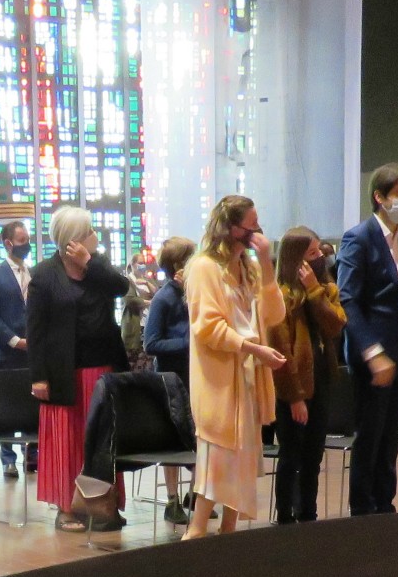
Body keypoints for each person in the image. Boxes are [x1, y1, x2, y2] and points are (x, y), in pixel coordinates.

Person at [336, 163, 398, 514]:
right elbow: (347, 299)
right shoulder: (358, 238)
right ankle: (363, 509)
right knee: (371, 434)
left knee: (394, 433)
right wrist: (372, 351)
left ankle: (385, 504)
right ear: (380, 197)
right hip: (372, 353)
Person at [182, 196, 285, 538]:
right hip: (220, 382)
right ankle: (195, 535)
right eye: (250, 226)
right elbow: (207, 327)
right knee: (216, 470)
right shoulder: (203, 267)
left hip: (249, 377)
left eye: (258, 226)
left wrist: (267, 263)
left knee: (240, 470)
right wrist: (254, 347)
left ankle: (228, 538)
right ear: (229, 227)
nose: (256, 232)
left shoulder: (250, 268)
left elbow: (274, 315)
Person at [25, 206, 130, 531]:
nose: (94, 235)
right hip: (64, 372)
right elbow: (36, 329)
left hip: (104, 370)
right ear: (73, 239)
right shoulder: (44, 274)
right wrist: (38, 376)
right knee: (67, 440)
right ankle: (66, 508)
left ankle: (102, 504)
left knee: (103, 439)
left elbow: (122, 287)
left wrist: (90, 261)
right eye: (88, 231)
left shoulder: (97, 268)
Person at [266, 226, 345, 524]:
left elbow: (335, 326)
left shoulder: (326, 290)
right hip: (293, 387)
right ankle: (285, 515)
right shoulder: (279, 297)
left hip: (322, 381)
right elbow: (281, 350)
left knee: (314, 456)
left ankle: (308, 514)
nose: (320, 258)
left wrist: (313, 290)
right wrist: (295, 397)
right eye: (312, 253)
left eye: (321, 251)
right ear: (296, 259)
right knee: (291, 455)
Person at [141, 235, 195, 524]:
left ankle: (195, 494)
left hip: (194, 377)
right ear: (179, 266)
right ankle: (172, 500)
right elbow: (151, 344)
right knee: (174, 441)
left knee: (198, 436)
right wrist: (187, 342)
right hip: (171, 379)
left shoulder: (194, 294)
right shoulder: (163, 298)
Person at [0, 219, 33, 478]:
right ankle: (8, 459)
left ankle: (31, 454)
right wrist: (14, 340)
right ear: (9, 243)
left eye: (28, 239)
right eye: (23, 241)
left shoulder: (30, 273)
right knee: (9, 406)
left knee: (30, 403)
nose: (27, 245)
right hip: (6, 351)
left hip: (31, 350)